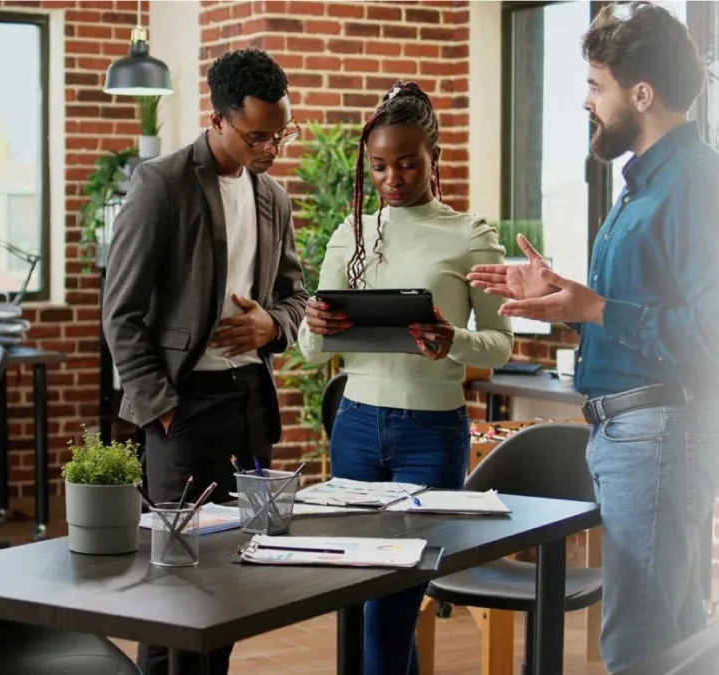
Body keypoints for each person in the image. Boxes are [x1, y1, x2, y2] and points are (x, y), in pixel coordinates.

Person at [467, 3, 719, 671]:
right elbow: (640, 311)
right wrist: (565, 303)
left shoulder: (695, 183)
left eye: (594, 85)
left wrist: (600, 308)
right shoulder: (639, 186)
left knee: (641, 645)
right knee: (664, 637)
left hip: (659, 431)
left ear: (642, 93)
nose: (586, 101)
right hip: (626, 433)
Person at [101, 47, 308, 675]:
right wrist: (161, 409)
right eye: (257, 136)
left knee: (232, 583)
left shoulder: (272, 196)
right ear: (216, 120)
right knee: (175, 587)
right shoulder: (161, 184)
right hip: (181, 412)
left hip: (250, 406)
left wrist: (272, 324)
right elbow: (122, 312)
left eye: (281, 133)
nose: (271, 148)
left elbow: (296, 295)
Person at [298, 81, 513, 674]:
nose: (392, 177)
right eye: (380, 165)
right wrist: (316, 322)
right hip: (356, 429)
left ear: (434, 157)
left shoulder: (471, 236)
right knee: (369, 600)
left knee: (391, 607)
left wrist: (453, 342)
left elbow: (499, 346)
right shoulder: (352, 234)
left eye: (407, 162)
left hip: (431, 436)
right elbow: (312, 353)